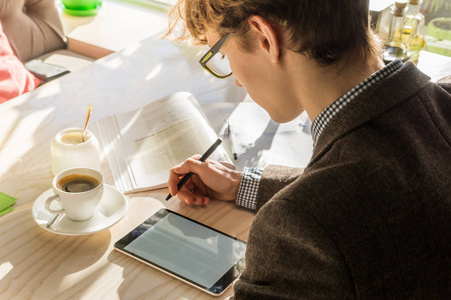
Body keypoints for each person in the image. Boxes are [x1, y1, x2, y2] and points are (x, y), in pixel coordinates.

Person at [166, 0, 451, 298]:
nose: (237, 81)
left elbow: (333, 207)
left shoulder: (300, 228)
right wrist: (242, 185)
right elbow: (382, 181)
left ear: (265, 37)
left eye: (223, 55)